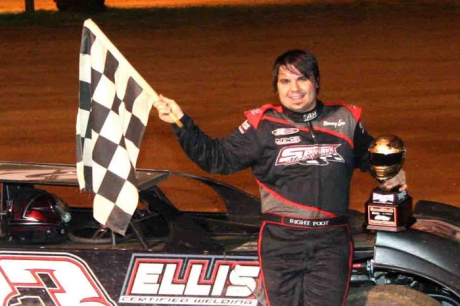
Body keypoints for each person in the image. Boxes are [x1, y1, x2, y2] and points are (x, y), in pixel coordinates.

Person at [152, 49, 407, 306]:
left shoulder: (345, 119)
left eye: (302, 79)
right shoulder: (262, 125)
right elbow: (216, 158)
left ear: (316, 82)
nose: (294, 89)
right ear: (276, 87)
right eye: (285, 81)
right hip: (282, 243)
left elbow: (371, 156)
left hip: (331, 243)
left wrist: (391, 174)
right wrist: (181, 121)